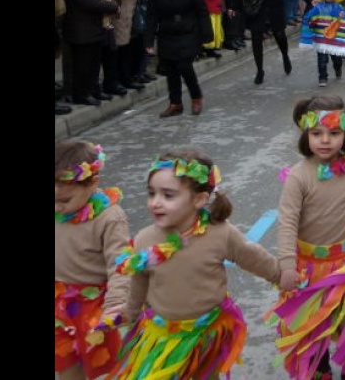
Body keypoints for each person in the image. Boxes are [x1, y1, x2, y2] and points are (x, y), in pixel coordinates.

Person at [109, 149, 283, 380]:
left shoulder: (220, 233)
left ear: (200, 199)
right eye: (152, 193)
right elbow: (139, 280)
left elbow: (250, 255)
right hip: (162, 337)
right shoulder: (144, 239)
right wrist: (129, 311)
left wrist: (279, 275)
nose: (155, 203)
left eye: (168, 195)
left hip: (206, 336)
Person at [265, 95, 345, 380]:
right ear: (306, 134)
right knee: (313, 321)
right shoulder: (298, 177)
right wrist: (287, 265)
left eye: (334, 133)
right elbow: (287, 222)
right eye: (317, 133)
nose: (325, 140)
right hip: (309, 268)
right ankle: (320, 362)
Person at [55, 141, 131, 380]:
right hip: (59, 304)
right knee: (65, 364)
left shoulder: (109, 218)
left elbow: (120, 265)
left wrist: (116, 304)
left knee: (105, 367)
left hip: (95, 306)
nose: (57, 206)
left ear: (92, 183)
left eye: (65, 201)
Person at [141, 0, 212, 117]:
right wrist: (149, 41)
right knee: (170, 69)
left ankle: (196, 96)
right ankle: (175, 103)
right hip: (167, 33)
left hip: (188, 32)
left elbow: (202, 10)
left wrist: (206, 34)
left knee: (184, 65)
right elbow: (151, 16)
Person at [62, 0, 121, 107]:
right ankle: (82, 93)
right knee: (83, 64)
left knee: (95, 62)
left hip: (95, 26)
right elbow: (88, 2)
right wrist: (112, 6)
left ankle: (94, 89)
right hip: (82, 28)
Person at [299, 0, 345, 86]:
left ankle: (338, 69)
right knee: (322, 61)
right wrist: (310, 21)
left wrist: (343, 16)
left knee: (337, 60)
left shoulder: (339, 7)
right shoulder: (318, 7)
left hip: (334, 40)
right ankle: (322, 78)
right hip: (321, 39)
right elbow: (309, 17)